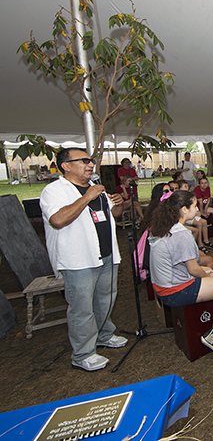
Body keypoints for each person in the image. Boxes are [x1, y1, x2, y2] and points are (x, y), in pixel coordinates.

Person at [40, 148, 127, 371]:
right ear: (66, 166)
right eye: (84, 161)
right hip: (78, 259)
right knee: (82, 308)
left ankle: (104, 334)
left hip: (106, 254)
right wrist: (86, 197)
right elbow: (57, 220)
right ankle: (82, 353)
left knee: (105, 299)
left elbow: (112, 215)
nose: (90, 164)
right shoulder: (54, 191)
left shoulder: (94, 188)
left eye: (91, 160)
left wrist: (117, 204)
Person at [148, 190, 213, 355]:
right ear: (184, 209)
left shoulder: (164, 226)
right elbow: (193, 270)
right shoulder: (182, 233)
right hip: (175, 290)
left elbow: (179, 263)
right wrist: (207, 274)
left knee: (209, 271)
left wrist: (205, 271)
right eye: (194, 205)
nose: (197, 209)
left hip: (162, 285)